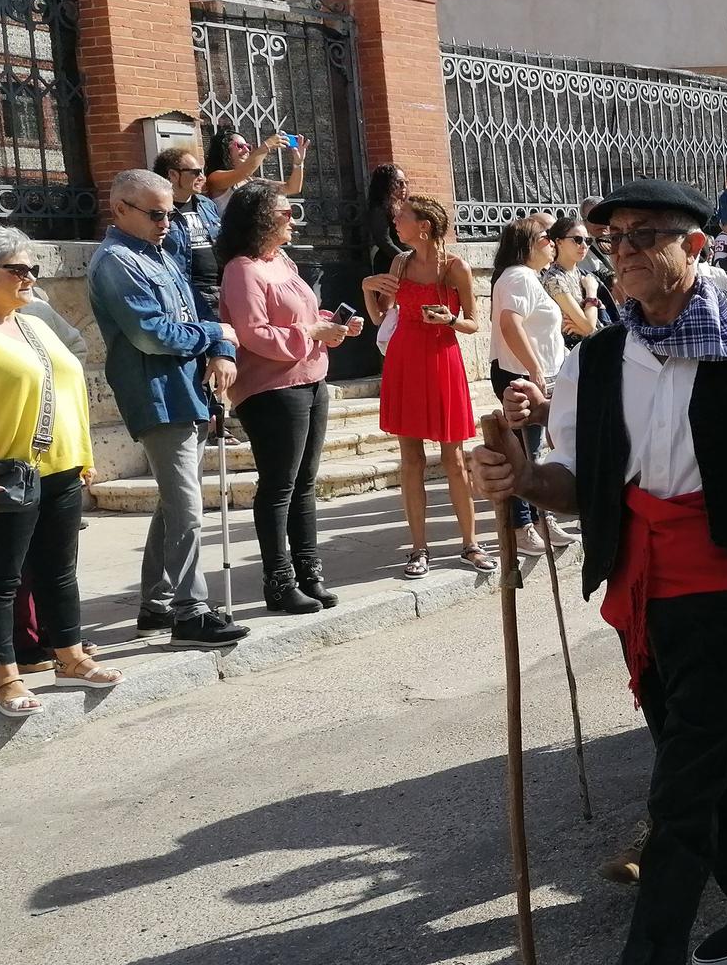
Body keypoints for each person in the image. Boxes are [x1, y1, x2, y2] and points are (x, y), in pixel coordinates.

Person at [469, 178, 727, 965]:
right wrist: (520, 478)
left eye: (645, 235)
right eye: (610, 235)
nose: (620, 248)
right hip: (638, 587)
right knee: (699, 764)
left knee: (680, 794)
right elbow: (576, 478)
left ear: (697, 246)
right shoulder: (598, 358)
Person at [87, 170, 249, 645]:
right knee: (186, 507)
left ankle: (156, 603)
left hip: (188, 388)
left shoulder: (159, 252)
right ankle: (190, 611)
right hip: (156, 393)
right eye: (156, 214)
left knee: (174, 502)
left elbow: (195, 310)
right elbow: (150, 333)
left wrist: (218, 348)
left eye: (171, 213)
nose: (167, 222)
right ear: (120, 209)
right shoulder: (117, 261)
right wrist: (216, 335)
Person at [217, 182, 361, 614]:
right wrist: (310, 333)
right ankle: (278, 582)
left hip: (311, 378)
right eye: (285, 212)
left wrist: (330, 324)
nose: (292, 220)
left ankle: (309, 573)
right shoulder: (241, 269)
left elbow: (303, 315)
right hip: (271, 389)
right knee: (279, 486)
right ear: (262, 218)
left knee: (304, 484)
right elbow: (253, 333)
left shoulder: (281, 261)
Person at [0, 227, 119, 715]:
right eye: (17, 270)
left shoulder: (36, 323)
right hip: (7, 472)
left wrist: (84, 456)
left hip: (62, 465)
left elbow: (69, 391)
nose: (29, 278)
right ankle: (5, 678)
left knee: (59, 572)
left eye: (33, 270)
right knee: (2, 581)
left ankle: (69, 654)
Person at [362, 195, 488, 576]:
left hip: (441, 357)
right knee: (411, 459)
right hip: (404, 358)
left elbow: (473, 322)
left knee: (453, 458)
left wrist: (450, 320)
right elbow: (380, 315)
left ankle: (470, 543)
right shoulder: (399, 262)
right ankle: (419, 548)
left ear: (424, 227)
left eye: (401, 217)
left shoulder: (454, 267)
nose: (395, 223)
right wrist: (367, 286)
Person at [489, 213, 567, 556]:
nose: (553, 243)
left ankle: (540, 519)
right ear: (529, 244)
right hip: (521, 375)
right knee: (525, 451)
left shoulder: (529, 278)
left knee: (537, 450)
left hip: (536, 373)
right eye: (546, 238)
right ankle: (522, 525)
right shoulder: (518, 276)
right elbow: (510, 324)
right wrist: (535, 369)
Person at [154, 144, 225, 316]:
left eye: (202, 171)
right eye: (195, 172)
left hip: (223, 290)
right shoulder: (160, 211)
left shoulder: (206, 204)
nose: (202, 177)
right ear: (173, 174)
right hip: (189, 293)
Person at [202, 126, 306, 214]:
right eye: (240, 146)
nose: (246, 150)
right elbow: (242, 172)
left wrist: (298, 163)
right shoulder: (215, 177)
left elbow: (292, 188)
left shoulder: (251, 181)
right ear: (224, 149)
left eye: (248, 146)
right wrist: (267, 146)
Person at [543, 212, 605, 342]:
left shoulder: (583, 274)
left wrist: (586, 327)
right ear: (559, 242)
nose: (584, 246)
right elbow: (588, 326)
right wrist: (591, 292)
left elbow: (588, 327)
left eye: (587, 241)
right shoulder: (554, 278)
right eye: (577, 240)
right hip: (569, 351)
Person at [365, 164, 410, 278]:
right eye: (399, 182)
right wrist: (406, 260)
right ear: (386, 184)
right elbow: (384, 241)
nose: (404, 186)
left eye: (406, 182)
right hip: (389, 263)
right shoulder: (379, 209)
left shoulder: (403, 206)